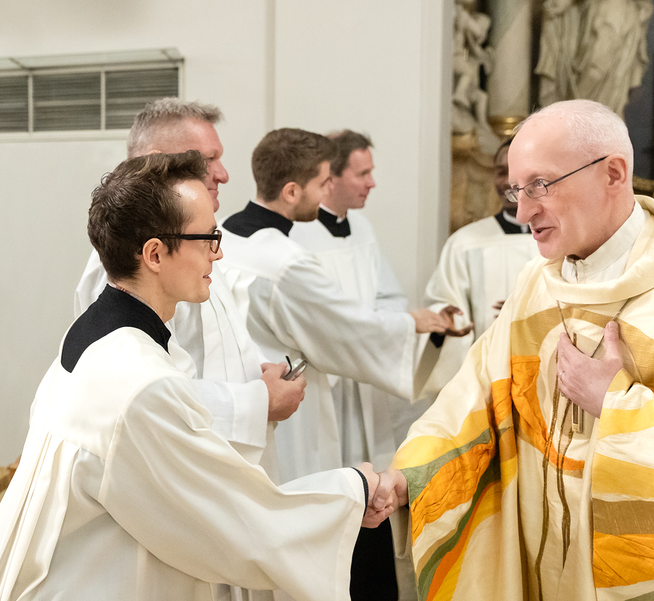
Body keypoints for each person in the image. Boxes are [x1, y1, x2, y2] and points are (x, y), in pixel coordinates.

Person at [0, 151, 393, 601]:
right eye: (208, 237)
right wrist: (354, 488)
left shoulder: (98, 332)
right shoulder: (140, 383)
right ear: (155, 254)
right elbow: (233, 522)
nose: (219, 252)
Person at [382, 99, 654, 600]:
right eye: (516, 189)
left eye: (540, 185)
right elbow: (477, 397)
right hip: (536, 560)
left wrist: (614, 403)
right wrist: (409, 476)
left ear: (613, 174)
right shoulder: (536, 283)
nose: (523, 211)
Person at [217, 128, 463, 487]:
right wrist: (414, 323)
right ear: (292, 192)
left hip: (243, 393)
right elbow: (347, 327)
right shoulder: (287, 262)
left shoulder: (225, 233)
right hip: (289, 401)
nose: (324, 193)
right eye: (321, 184)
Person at [75, 99, 302, 472]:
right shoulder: (129, 265)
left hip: (224, 459)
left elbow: (215, 345)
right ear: (157, 162)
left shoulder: (193, 243)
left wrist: (258, 371)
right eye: (207, 160)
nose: (222, 174)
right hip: (179, 467)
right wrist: (259, 402)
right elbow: (142, 393)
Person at [288, 130, 418, 600]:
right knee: (332, 492)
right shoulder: (296, 235)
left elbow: (390, 297)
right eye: (362, 173)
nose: (371, 183)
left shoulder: (362, 230)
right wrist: (358, 334)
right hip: (325, 385)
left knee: (376, 496)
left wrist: (380, 328)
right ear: (332, 177)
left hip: (366, 384)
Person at [419, 139, 538, 396]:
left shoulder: (567, 239)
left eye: (516, 171)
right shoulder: (466, 243)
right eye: (500, 171)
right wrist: (446, 317)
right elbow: (445, 306)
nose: (507, 181)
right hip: (486, 383)